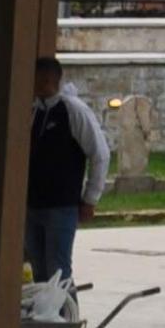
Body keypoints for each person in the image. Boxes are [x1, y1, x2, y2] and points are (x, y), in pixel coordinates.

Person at [23, 55, 107, 284]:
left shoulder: (73, 110)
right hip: (33, 204)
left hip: (61, 205)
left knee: (58, 270)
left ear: (47, 79)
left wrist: (90, 198)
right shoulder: (35, 111)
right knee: (38, 269)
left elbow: (100, 153)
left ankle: (66, 317)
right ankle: (43, 318)